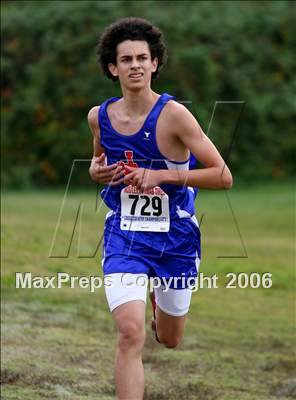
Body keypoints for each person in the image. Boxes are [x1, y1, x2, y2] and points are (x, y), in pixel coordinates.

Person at [88, 17, 232, 400]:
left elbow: (222, 175)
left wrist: (162, 176)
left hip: (176, 239)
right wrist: (96, 172)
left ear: (154, 64)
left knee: (169, 340)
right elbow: (97, 163)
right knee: (129, 332)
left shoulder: (174, 116)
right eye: (126, 59)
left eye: (142, 57)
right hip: (125, 234)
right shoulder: (99, 117)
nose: (135, 64)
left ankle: (160, 308)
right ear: (112, 68)